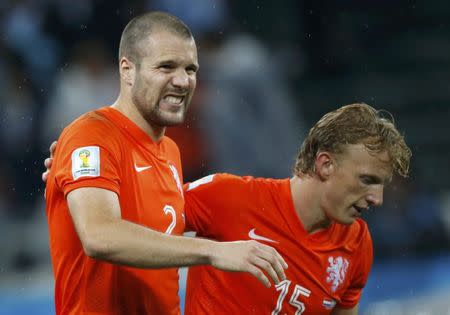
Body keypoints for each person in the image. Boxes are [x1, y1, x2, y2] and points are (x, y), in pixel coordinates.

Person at [44, 103, 411, 314]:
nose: (376, 199)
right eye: (367, 180)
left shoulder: (357, 246)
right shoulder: (228, 197)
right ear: (326, 165)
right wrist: (83, 182)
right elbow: (140, 213)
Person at [44, 12, 287, 315]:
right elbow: (100, 235)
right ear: (127, 70)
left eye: (191, 69)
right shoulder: (91, 135)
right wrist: (213, 251)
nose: (183, 81)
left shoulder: (169, 151)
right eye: (166, 67)